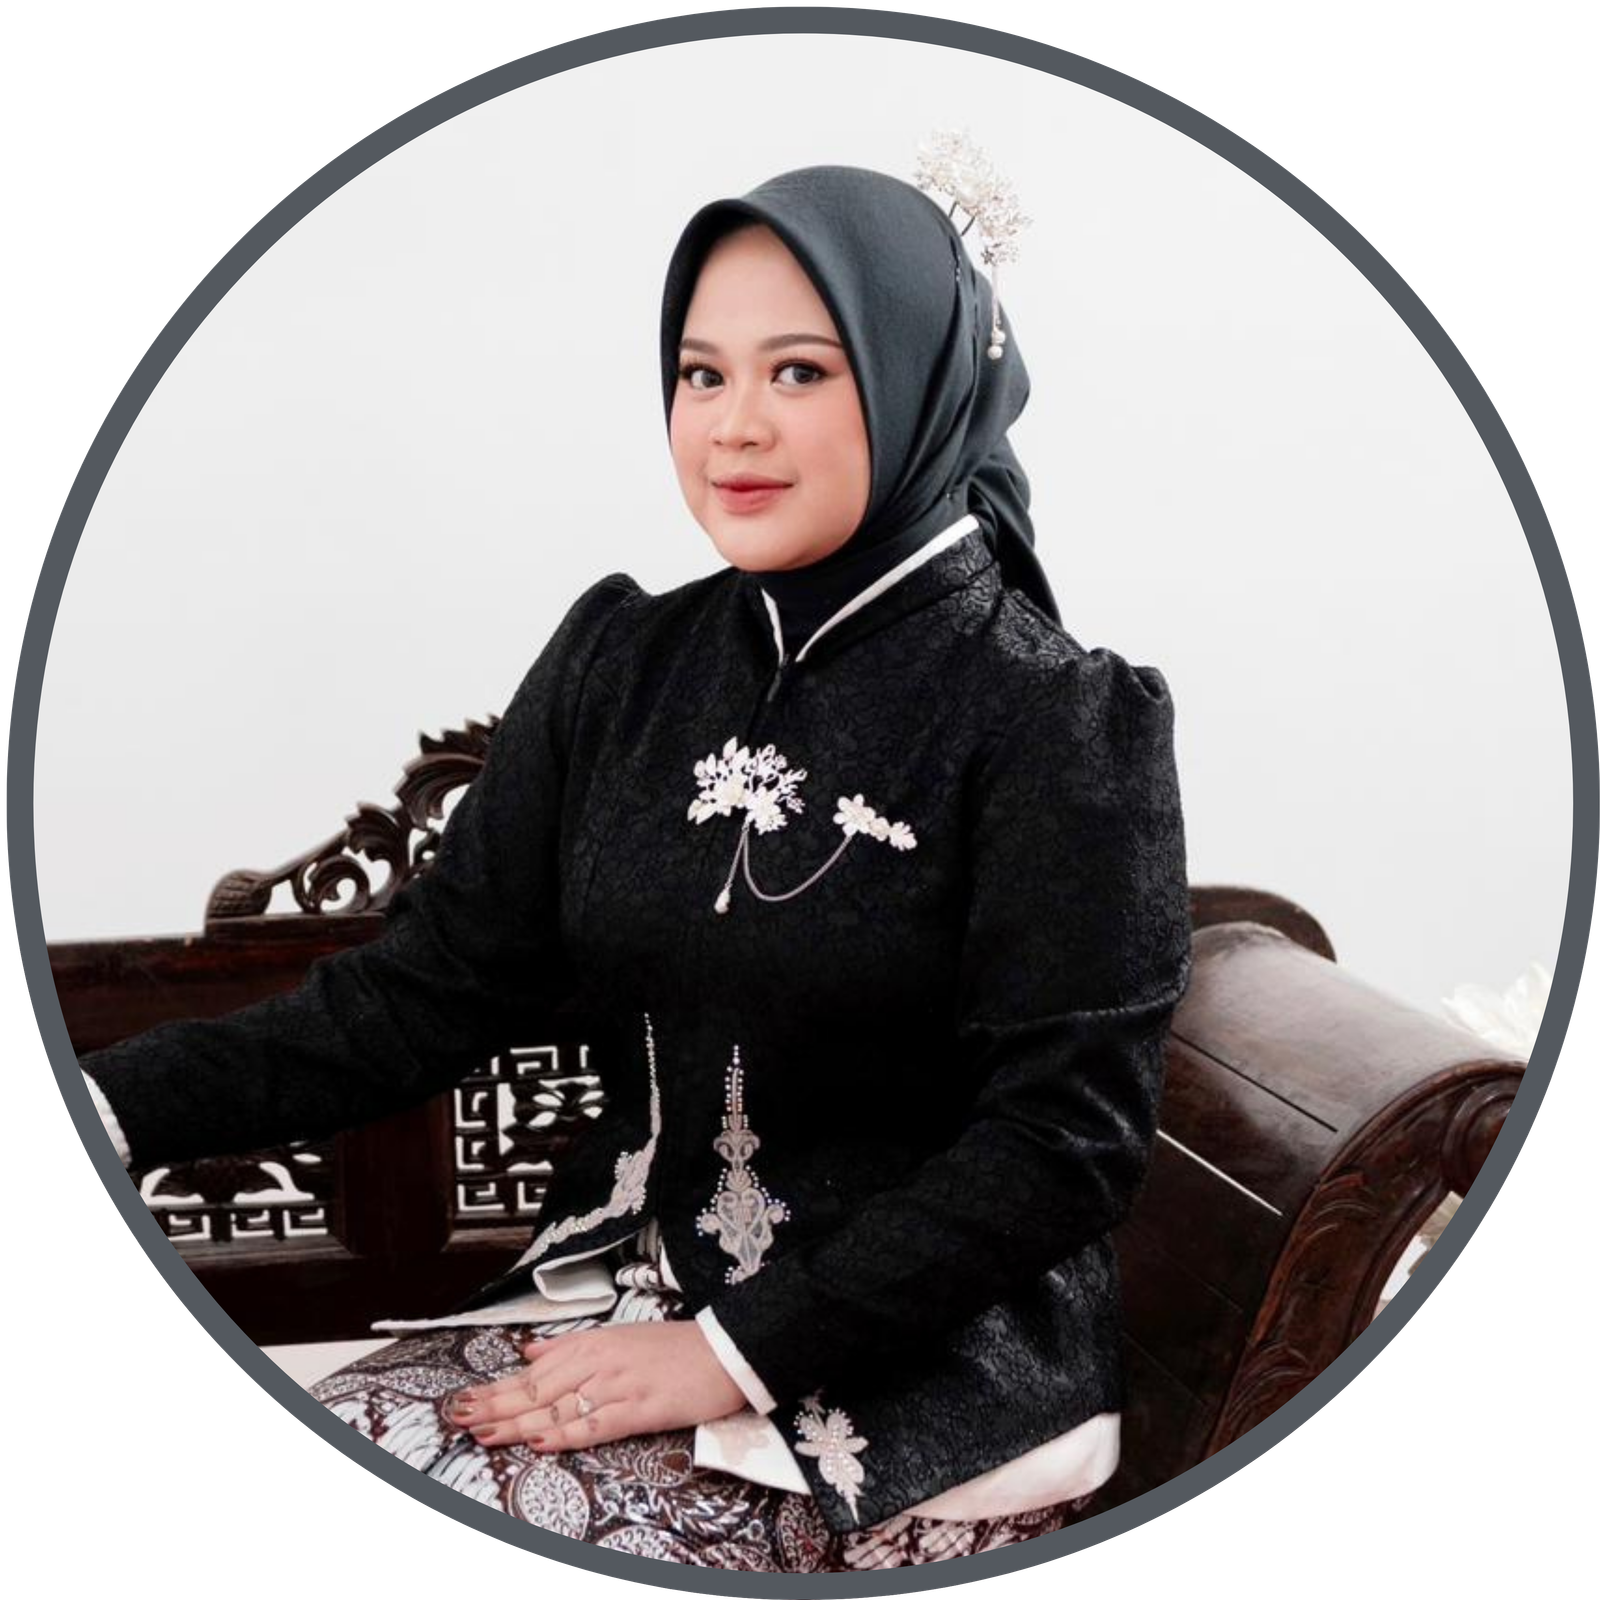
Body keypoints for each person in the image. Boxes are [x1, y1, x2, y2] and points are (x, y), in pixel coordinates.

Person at [78, 160, 1192, 1572]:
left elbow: (1061, 1145)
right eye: (699, 373)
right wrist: (108, 1104)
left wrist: (726, 1354)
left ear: (920, 381)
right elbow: (422, 993)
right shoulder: (626, 662)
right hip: (626, 1304)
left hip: (917, 1391)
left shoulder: (1053, 718)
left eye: (799, 371)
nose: (734, 426)